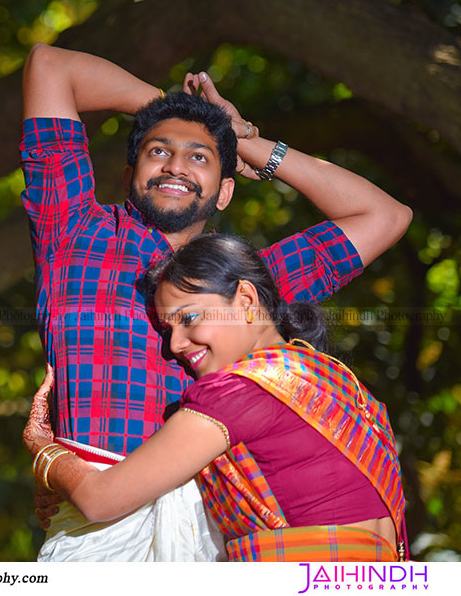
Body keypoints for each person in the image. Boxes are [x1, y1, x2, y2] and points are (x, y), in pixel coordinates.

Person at [20, 44, 412, 560]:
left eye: (199, 157)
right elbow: (51, 65)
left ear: (224, 191)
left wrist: (245, 141)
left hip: (212, 529)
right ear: (128, 175)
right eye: (158, 151)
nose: (176, 165)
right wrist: (178, 111)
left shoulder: (244, 285)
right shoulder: (72, 231)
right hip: (93, 523)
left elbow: (385, 216)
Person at [22, 233, 409, 562]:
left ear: (244, 300)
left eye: (189, 319)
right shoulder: (335, 379)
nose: (175, 345)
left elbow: (99, 499)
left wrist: (43, 450)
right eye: (168, 328)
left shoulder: (238, 391)